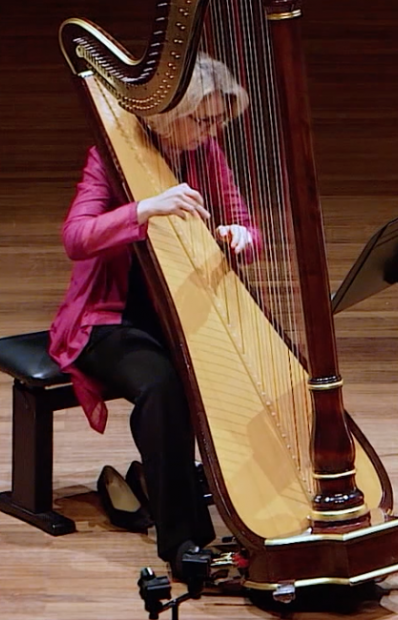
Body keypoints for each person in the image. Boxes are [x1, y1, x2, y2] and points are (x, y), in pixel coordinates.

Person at [48, 55, 261, 576]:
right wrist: (144, 208)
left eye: (217, 122)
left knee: (235, 374)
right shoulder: (111, 158)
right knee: (164, 385)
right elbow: (76, 239)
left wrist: (240, 238)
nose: (210, 132)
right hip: (106, 322)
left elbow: (246, 224)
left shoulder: (204, 154)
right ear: (172, 113)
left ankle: (239, 503)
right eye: (202, 119)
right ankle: (182, 541)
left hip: (178, 314)